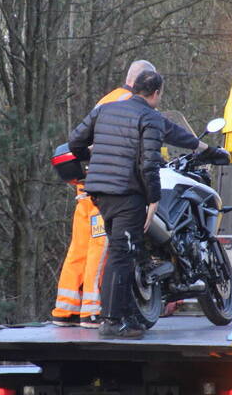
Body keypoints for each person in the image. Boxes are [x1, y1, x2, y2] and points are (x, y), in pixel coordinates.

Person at [67, 69, 223, 338]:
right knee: (121, 255)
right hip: (127, 194)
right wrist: (153, 199)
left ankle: (128, 317)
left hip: (100, 193)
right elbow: (149, 163)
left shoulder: (106, 110)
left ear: (133, 87)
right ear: (156, 93)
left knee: (124, 251)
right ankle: (112, 322)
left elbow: (74, 141)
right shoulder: (149, 117)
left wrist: (90, 159)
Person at [50, 59, 154, 328]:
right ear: (143, 81)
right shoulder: (129, 103)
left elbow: (82, 139)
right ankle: (93, 310)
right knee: (102, 248)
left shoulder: (108, 99)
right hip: (110, 185)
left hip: (87, 185)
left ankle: (66, 310)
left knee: (79, 250)